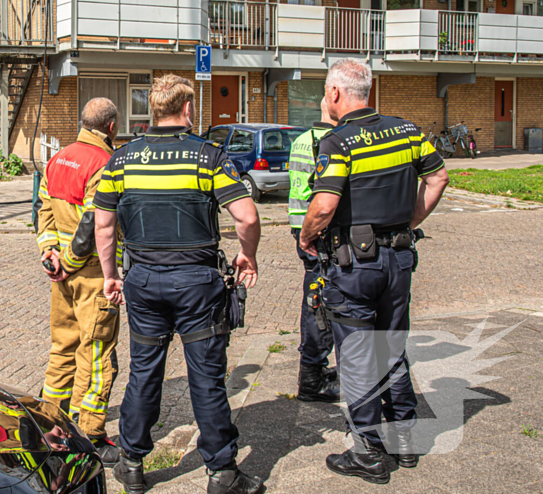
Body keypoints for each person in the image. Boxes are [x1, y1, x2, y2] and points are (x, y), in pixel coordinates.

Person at [94, 75, 264, 494]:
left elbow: (104, 225)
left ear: (153, 110)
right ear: (187, 109)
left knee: (144, 372)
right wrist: (248, 255)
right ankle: (222, 473)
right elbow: (247, 217)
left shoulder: (122, 159)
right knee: (206, 377)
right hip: (197, 283)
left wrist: (111, 275)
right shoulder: (208, 157)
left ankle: (132, 464)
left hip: (143, 282)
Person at [299, 59, 448, 484]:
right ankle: (404, 441)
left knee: (358, 355)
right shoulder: (408, 131)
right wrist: (408, 223)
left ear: (334, 93)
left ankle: (367, 451)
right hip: (399, 260)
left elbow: (324, 204)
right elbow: (438, 178)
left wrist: (307, 236)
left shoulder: (337, 141)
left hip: (355, 265)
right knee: (392, 347)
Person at [35, 97, 121, 466]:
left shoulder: (58, 158)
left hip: (60, 275)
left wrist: (50, 254)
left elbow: (42, 209)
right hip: (91, 275)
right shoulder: (103, 163)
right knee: (96, 353)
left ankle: (49, 421)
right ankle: (90, 433)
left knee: (62, 346)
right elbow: (92, 223)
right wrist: (70, 263)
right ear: (112, 126)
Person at [287, 98, 340, 403]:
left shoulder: (302, 140)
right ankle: (311, 377)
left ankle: (315, 366)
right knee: (319, 301)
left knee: (315, 295)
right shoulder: (333, 141)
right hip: (318, 229)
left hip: (300, 224)